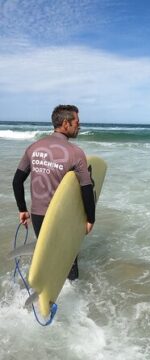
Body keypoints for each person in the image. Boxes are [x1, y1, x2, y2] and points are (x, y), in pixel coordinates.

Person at [12, 105, 96, 280]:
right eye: (76, 122)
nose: (79, 126)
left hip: (37, 215)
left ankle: (44, 289)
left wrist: (22, 209)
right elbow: (86, 187)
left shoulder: (34, 147)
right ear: (66, 123)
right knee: (68, 259)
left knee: (47, 253)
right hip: (61, 216)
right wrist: (90, 219)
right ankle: (71, 294)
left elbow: (17, 181)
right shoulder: (75, 153)